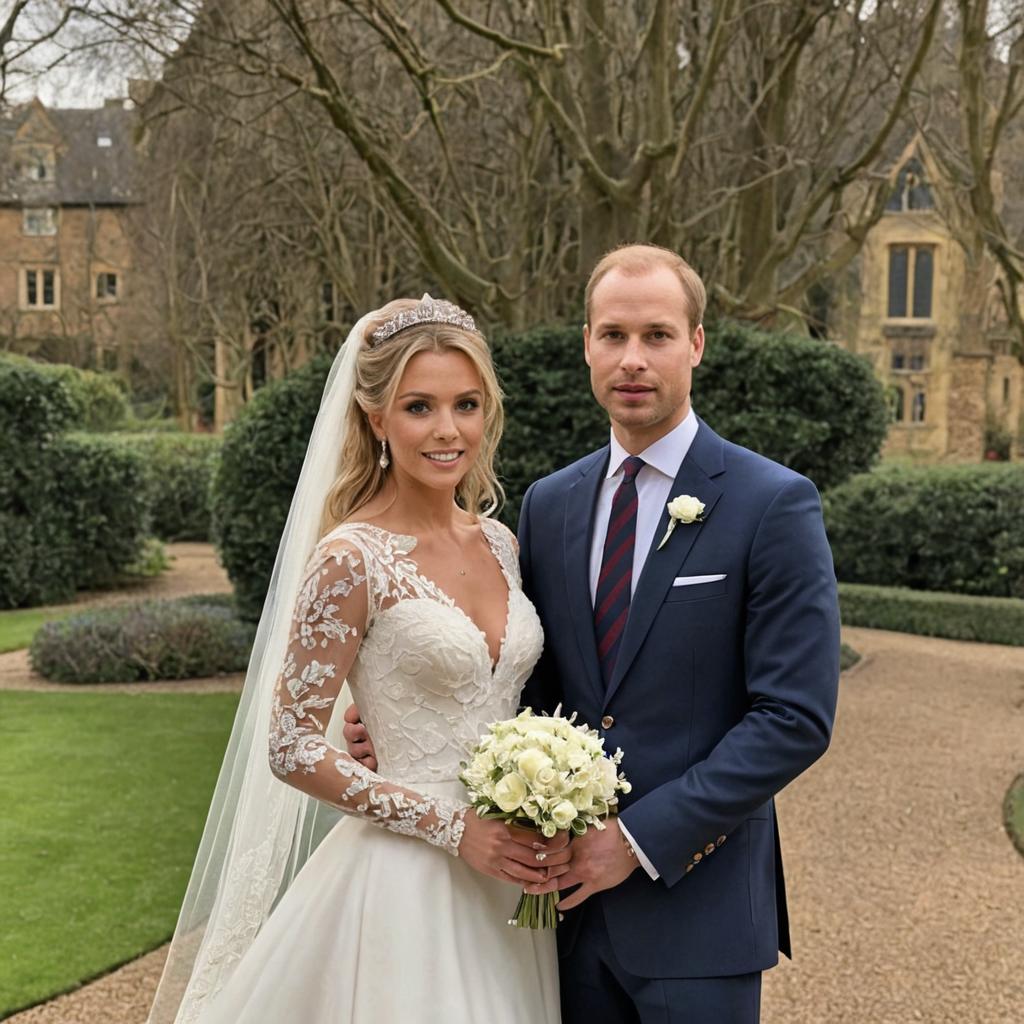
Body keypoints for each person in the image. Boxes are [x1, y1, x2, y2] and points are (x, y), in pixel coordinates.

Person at [347, 245, 841, 1023]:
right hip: (550, 919)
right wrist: (395, 713)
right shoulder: (550, 505)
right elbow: (525, 678)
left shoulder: (772, 503)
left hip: (697, 917)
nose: (633, 360)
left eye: (657, 335)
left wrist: (640, 838)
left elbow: (795, 718)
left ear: (697, 344)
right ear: (587, 344)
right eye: (613, 335)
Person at [146, 296, 566, 1024]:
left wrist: (552, 788)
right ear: (377, 420)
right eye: (418, 407)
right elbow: (289, 744)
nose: (447, 430)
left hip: (510, 877)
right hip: (408, 883)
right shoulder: (351, 558)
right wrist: (451, 825)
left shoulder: (502, 544)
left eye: (466, 404)